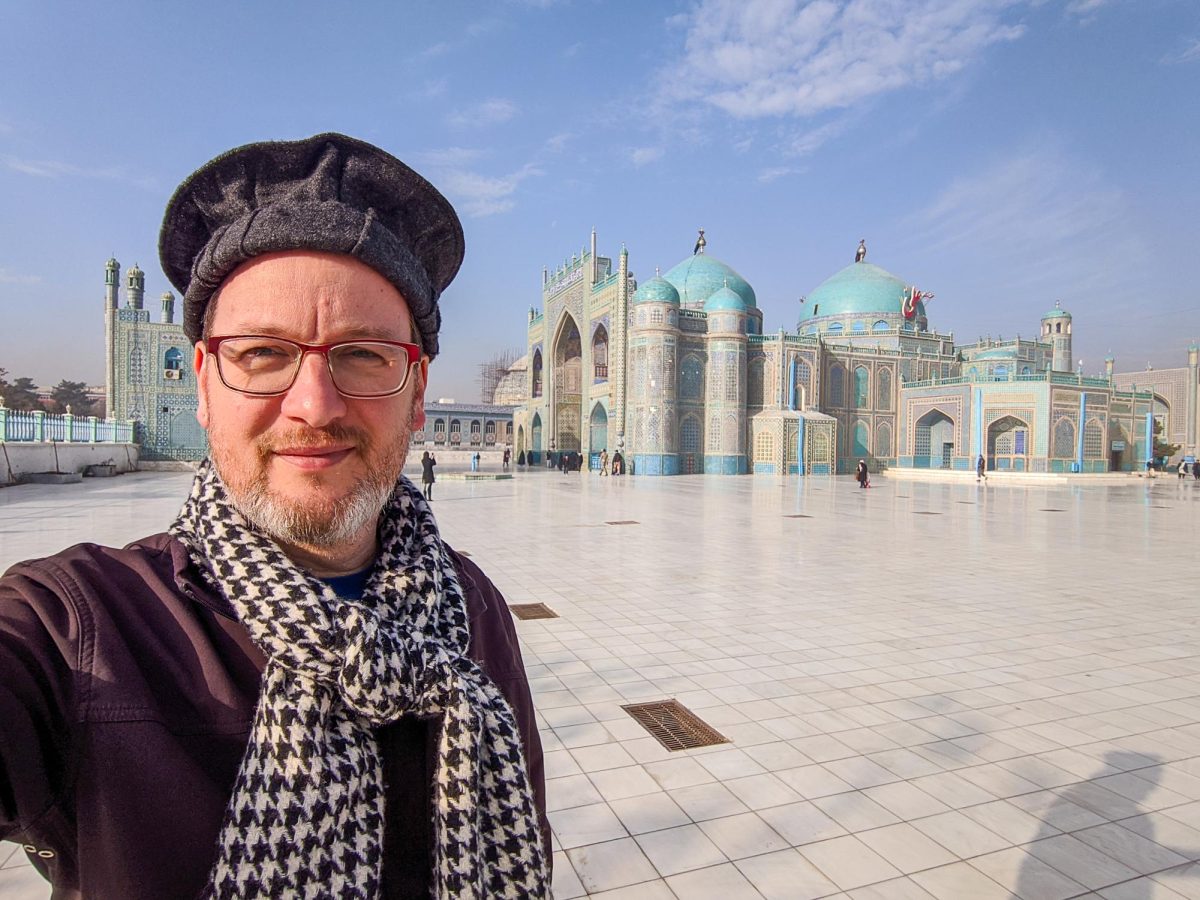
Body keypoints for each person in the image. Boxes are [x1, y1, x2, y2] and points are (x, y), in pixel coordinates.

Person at [0, 134, 549, 898]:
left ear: (418, 392)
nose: (315, 405)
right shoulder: (83, 628)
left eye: (363, 354)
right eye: (262, 353)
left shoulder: (475, 610)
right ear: (202, 382)